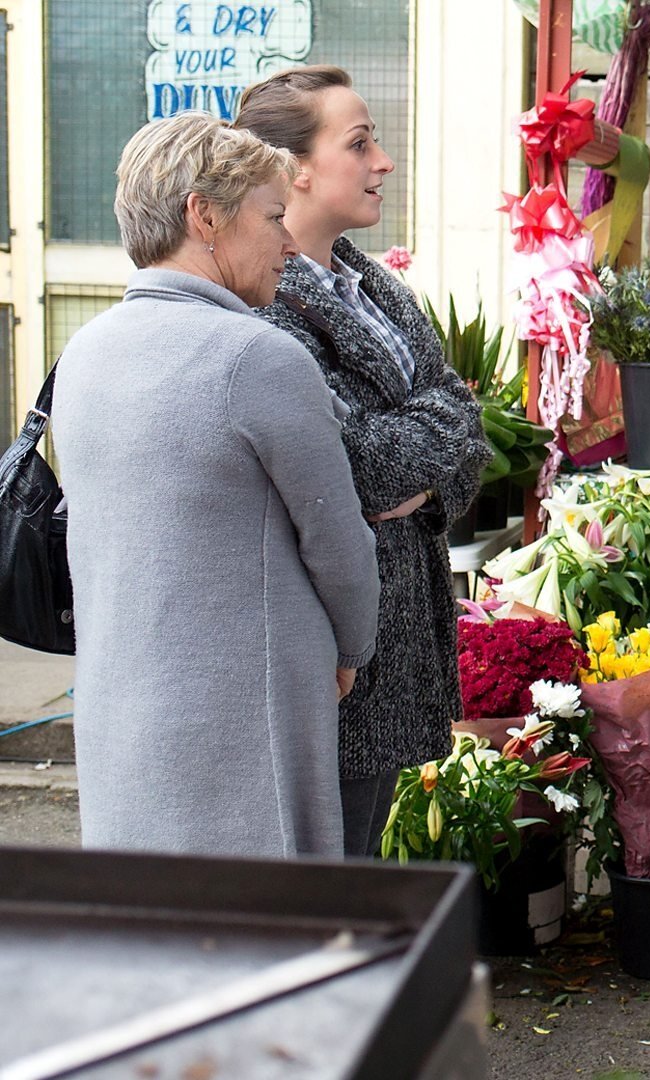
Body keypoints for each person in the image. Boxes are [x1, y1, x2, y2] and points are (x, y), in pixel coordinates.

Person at [55, 112, 379, 857]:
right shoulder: (256, 359)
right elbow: (338, 542)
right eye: (273, 217)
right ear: (205, 216)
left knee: (151, 935)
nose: (291, 244)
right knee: (261, 942)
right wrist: (350, 650)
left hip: (120, 716)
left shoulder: (84, 352)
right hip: (243, 730)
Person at [235, 66, 493, 857]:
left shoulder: (372, 284)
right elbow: (356, 467)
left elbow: (469, 435)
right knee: (320, 891)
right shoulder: (263, 304)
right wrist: (428, 445)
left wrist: (424, 458)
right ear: (294, 171)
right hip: (333, 658)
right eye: (361, 142)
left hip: (396, 646)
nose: (383, 160)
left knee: (352, 874)